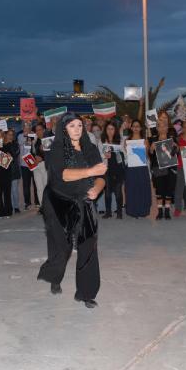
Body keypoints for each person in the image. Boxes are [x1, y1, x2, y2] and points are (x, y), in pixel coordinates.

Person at [37, 112, 106, 309]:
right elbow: (64, 175)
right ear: (64, 129)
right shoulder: (57, 148)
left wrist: (97, 189)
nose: (76, 129)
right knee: (62, 247)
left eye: (79, 125)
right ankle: (55, 277)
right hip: (59, 202)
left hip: (83, 199)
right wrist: (91, 172)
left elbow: (102, 174)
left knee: (89, 243)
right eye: (72, 126)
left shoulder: (90, 148)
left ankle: (86, 293)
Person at [149, 112, 178, 220]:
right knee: (159, 190)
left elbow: (176, 153)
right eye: (159, 126)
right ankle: (160, 211)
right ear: (157, 128)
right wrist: (151, 149)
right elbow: (150, 155)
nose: (162, 128)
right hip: (157, 168)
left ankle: (167, 211)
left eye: (164, 126)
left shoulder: (172, 139)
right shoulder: (153, 139)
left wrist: (176, 147)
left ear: (167, 127)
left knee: (169, 190)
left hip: (170, 168)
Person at [124, 120, 152, 218]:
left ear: (140, 128)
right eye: (134, 126)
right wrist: (126, 147)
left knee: (142, 188)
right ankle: (132, 211)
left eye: (138, 126)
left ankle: (143, 210)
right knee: (132, 188)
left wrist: (146, 147)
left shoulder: (145, 141)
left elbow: (147, 156)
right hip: (131, 168)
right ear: (131, 128)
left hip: (142, 167)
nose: (136, 128)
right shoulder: (126, 141)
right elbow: (126, 155)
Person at [100, 121, 125, 219]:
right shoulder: (101, 141)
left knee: (118, 191)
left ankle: (119, 212)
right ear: (105, 130)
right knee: (107, 192)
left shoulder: (120, 140)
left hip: (118, 169)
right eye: (108, 129)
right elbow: (99, 154)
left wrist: (120, 152)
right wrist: (104, 155)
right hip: (107, 169)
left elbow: (125, 154)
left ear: (115, 130)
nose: (110, 131)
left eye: (112, 129)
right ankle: (108, 212)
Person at [18, 121, 39, 210]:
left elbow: (35, 148)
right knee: (26, 184)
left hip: (33, 161)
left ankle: (37, 202)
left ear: (31, 127)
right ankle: (27, 203)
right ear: (23, 127)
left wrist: (33, 141)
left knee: (35, 183)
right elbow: (21, 143)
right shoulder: (20, 136)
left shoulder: (35, 135)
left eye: (28, 126)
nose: (27, 128)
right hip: (24, 163)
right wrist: (27, 136)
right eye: (25, 126)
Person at [31, 123, 48, 209]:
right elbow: (31, 153)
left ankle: (49, 207)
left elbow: (52, 153)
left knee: (46, 187)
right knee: (39, 187)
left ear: (44, 130)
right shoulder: (34, 141)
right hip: (36, 166)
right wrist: (34, 159)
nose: (38, 132)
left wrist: (42, 158)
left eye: (40, 129)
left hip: (45, 165)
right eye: (36, 130)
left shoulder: (48, 139)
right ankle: (42, 207)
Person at [5, 129, 21, 213]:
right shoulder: (2, 144)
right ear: (6, 135)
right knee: (8, 190)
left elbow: (15, 153)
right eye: (8, 134)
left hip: (14, 169)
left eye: (12, 134)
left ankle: (16, 206)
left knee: (14, 189)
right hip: (5, 170)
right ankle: (9, 206)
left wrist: (9, 146)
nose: (10, 136)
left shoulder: (16, 144)